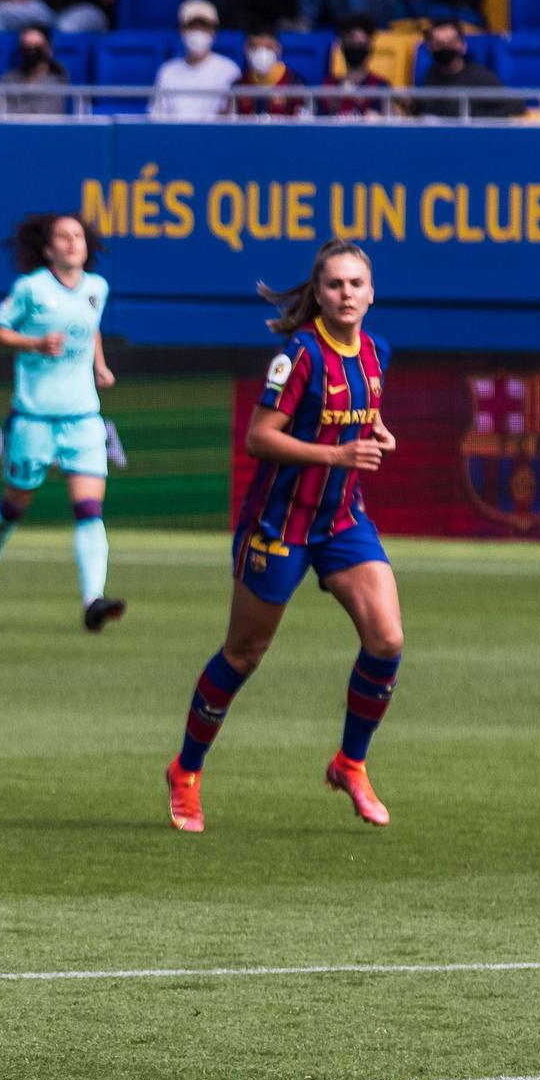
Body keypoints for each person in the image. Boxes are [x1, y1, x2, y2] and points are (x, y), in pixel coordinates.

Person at [164, 240, 402, 834]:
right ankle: (185, 772)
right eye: (334, 285)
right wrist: (337, 452)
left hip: (343, 520)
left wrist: (377, 432)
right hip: (279, 524)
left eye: (355, 284)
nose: (346, 294)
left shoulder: (376, 352)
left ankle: (350, 762)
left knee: (387, 639)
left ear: (372, 293)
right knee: (243, 655)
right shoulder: (297, 357)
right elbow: (259, 437)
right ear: (317, 294)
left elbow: (362, 413)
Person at [0, 212, 124, 632]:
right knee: (14, 506)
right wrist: (33, 341)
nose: (73, 243)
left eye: (79, 236)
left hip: (82, 416)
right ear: (48, 249)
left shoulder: (97, 288)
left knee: (89, 508)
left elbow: (89, 329)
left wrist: (100, 366)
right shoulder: (30, 289)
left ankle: (93, 600)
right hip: (34, 418)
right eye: (64, 237)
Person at [413, 19, 523, 120]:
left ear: (463, 46)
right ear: (429, 48)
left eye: (450, 42)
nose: (445, 47)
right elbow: (425, 111)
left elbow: (515, 106)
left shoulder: (480, 77)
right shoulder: (430, 74)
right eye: (438, 43)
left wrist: (470, 117)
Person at [151, 0, 241, 120]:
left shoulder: (229, 71)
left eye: (204, 27)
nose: (198, 32)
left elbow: (232, 122)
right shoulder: (167, 72)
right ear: (182, 30)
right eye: (192, 27)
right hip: (175, 137)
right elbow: (156, 119)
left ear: (214, 32)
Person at [318, 13, 390, 117]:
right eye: (351, 41)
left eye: (361, 43)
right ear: (342, 46)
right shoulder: (329, 86)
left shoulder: (380, 87)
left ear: (370, 47)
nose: (356, 45)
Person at [231, 24, 305, 116]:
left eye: (268, 48)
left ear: (278, 49)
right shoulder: (239, 85)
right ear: (246, 50)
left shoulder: (294, 82)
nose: (262, 54)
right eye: (254, 48)